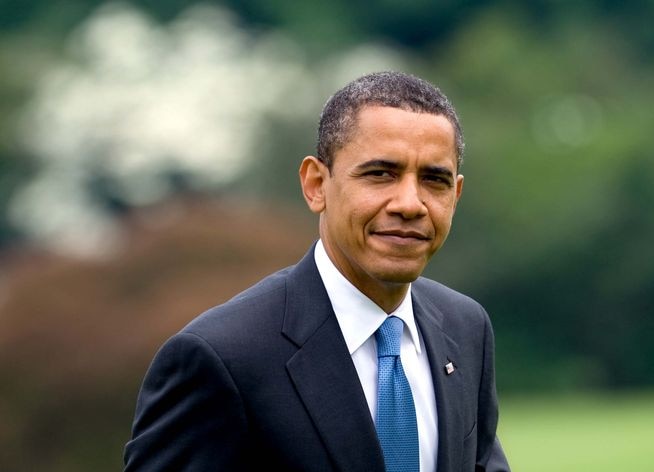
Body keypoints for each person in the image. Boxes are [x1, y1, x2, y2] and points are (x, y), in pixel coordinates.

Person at [124, 71, 510, 472]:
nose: (410, 203)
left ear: (456, 195)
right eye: (380, 174)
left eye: (434, 180)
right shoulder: (222, 358)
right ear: (316, 185)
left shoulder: (466, 329)